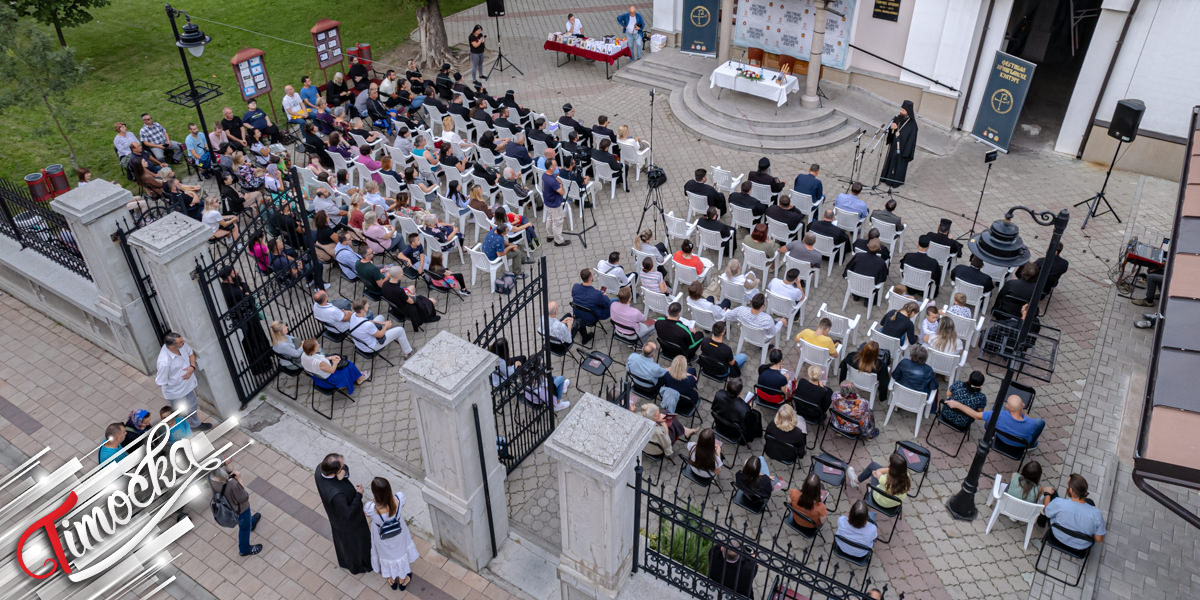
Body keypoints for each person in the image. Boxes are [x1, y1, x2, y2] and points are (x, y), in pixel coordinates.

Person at [314, 454, 374, 573]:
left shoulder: (319, 469)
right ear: (334, 472)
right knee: (358, 544)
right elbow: (349, 513)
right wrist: (359, 495)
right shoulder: (336, 494)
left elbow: (344, 468)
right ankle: (362, 565)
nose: (344, 466)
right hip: (350, 524)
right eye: (342, 466)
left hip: (336, 517)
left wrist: (343, 472)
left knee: (345, 544)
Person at [364, 477, 420, 590]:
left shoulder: (370, 508)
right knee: (400, 553)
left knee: (387, 556)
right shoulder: (399, 499)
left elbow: (367, 514)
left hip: (382, 538)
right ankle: (403, 579)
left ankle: (392, 579)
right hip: (399, 534)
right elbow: (400, 504)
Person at [155, 333, 211, 431]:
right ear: (172, 346)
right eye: (180, 342)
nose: (183, 342)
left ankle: (195, 425)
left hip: (187, 386)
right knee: (181, 412)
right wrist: (177, 380)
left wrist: (192, 367)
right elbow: (161, 381)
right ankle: (182, 431)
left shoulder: (182, 346)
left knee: (192, 405)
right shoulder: (164, 362)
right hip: (175, 392)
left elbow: (191, 353)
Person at [947, 393, 1046, 447]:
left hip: (1001, 438)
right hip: (1020, 444)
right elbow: (1028, 420)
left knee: (993, 416)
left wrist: (957, 404)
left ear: (1007, 406)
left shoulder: (997, 415)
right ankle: (1032, 445)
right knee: (1040, 422)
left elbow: (976, 415)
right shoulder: (1031, 423)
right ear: (1023, 406)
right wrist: (1022, 411)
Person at [210, 459, 263, 556]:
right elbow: (244, 496)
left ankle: (251, 523)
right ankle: (244, 549)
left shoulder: (211, 478)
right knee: (244, 528)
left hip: (229, 507)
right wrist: (239, 479)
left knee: (246, 522)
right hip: (240, 510)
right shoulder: (232, 484)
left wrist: (225, 464)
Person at [1040, 473, 1106, 551]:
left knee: (1053, 493)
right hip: (1081, 546)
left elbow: (1046, 512)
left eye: (1067, 485)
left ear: (1071, 490)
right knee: (1090, 502)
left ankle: (1041, 523)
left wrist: (1047, 493)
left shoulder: (1059, 503)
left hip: (1058, 536)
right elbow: (1099, 539)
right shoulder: (1096, 514)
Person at [880, 99, 918, 188]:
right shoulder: (897, 118)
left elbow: (912, 140)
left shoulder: (913, 125)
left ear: (908, 112)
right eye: (901, 109)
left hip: (903, 149)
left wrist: (906, 152)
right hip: (894, 146)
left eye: (903, 110)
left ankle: (896, 182)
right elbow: (892, 131)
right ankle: (885, 178)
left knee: (899, 166)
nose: (901, 112)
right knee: (890, 162)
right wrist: (892, 129)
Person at [540, 159, 572, 247]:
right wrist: (561, 184)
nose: (557, 167)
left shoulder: (544, 175)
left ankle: (550, 235)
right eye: (555, 165)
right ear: (551, 167)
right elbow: (562, 192)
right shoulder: (552, 181)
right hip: (554, 203)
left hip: (547, 202)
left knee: (549, 218)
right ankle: (558, 241)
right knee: (557, 222)